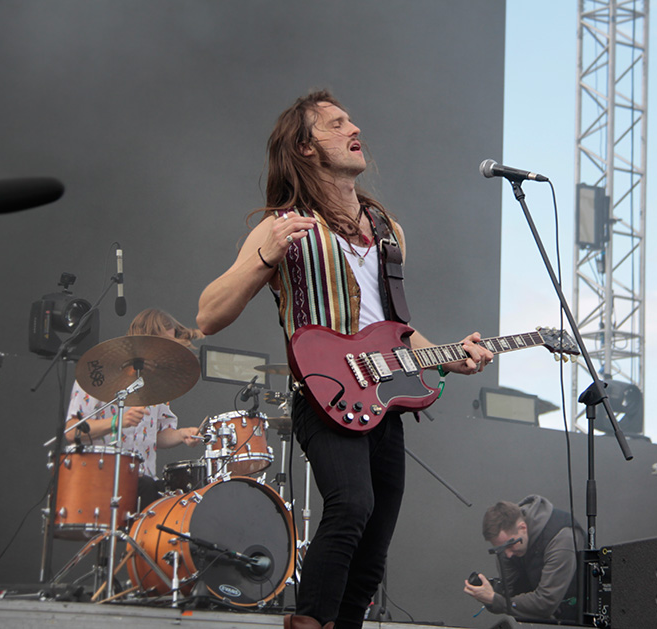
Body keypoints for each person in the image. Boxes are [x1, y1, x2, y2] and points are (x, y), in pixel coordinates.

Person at [196, 89, 493, 629]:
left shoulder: (387, 231)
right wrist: (265, 255)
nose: (353, 129)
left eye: (350, 121)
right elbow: (209, 315)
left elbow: (395, 331)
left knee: (374, 544)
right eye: (335, 124)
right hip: (325, 395)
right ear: (305, 148)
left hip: (382, 399)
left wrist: (449, 357)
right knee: (352, 505)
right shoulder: (283, 225)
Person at [65, 308, 204, 507]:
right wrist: (116, 422)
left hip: (142, 481)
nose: (167, 351)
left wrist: (181, 435)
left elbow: (157, 435)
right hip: (100, 481)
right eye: (163, 344)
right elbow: (72, 431)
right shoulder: (98, 376)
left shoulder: (158, 385)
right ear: (145, 340)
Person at [464, 495, 585, 621]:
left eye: (510, 546)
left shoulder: (561, 539)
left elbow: (545, 603)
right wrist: (488, 596)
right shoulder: (508, 547)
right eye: (501, 549)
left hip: (575, 617)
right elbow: (508, 596)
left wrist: (495, 600)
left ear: (523, 528)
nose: (508, 554)